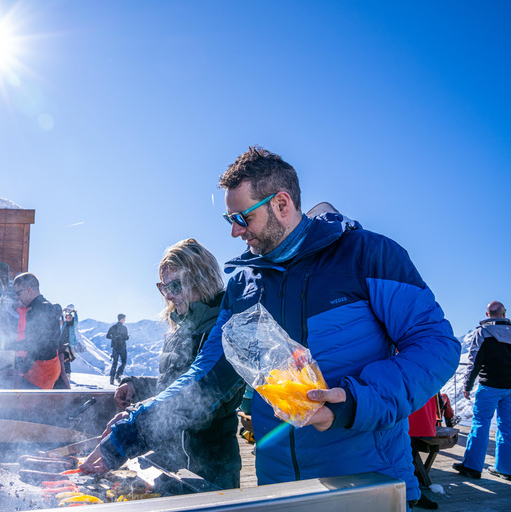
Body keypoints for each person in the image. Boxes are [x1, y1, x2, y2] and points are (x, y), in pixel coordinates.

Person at [82, 146, 460, 506]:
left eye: (242, 217)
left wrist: (354, 401)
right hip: (280, 488)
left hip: (365, 480)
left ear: (281, 203)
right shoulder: (243, 287)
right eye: (229, 220)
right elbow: (207, 376)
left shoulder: (368, 256)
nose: (235, 231)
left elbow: (436, 344)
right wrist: (132, 431)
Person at [110, 238, 243, 489]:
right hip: (172, 464)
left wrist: (135, 424)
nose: (169, 295)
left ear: (201, 279)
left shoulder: (222, 330)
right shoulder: (179, 330)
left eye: (175, 285)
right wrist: (136, 386)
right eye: (163, 287)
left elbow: (198, 401)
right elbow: (171, 386)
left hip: (209, 472)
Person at [453, 301, 511, 482]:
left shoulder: (482, 333)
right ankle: (506, 469)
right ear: (504, 313)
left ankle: (472, 467)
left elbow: (474, 362)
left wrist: (467, 386)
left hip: (490, 386)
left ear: (487, 315)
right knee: (507, 425)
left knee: (481, 423)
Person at [10, 272, 62, 389]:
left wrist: (22, 370)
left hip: (42, 369)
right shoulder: (45, 306)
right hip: (49, 365)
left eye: (18, 293)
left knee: (30, 405)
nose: (17, 297)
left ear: (28, 290)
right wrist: (11, 346)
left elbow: (37, 344)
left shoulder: (37, 309)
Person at [107, 314, 129, 385]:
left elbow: (107, 336)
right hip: (122, 347)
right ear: (121, 319)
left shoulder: (113, 327)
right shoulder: (124, 328)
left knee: (114, 363)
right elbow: (126, 338)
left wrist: (114, 338)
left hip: (115, 347)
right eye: (124, 319)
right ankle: (118, 375)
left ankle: (112, 379)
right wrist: (127, 337)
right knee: (124, 362)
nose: (124, 321)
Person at [59, 304, 79, 382]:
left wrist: (75, 313)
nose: (68, 318)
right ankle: (63, 372)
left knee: (67, 358)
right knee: (62, 358)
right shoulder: (64, 324)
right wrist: (62, 312)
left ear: (72, 318)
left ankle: (67, 373)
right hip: (62, 343)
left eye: (70, 317)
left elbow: (76, 321)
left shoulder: (73, 325)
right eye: (67, 317)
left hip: (69, 344)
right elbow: (60, 318)